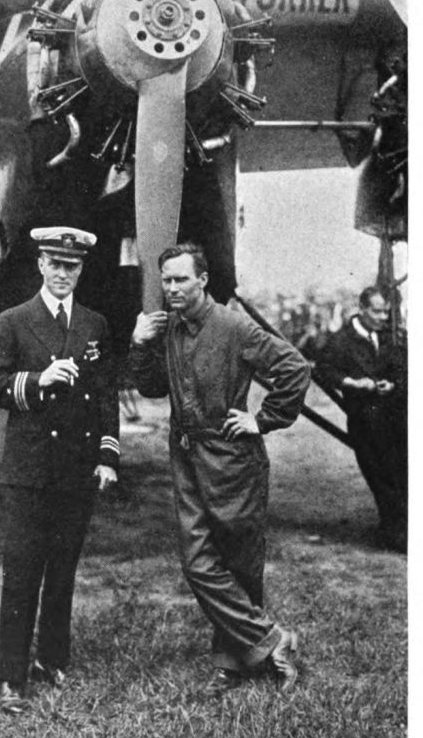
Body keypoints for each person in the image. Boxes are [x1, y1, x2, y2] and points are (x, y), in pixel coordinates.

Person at [129, 243, 310, 691]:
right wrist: (140, 343)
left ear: (203, 279)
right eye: (166, 280)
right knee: (198, 563)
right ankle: (273, 640)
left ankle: (233, 662)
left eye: (181, 279)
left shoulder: (234, 326)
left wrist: (262, 420)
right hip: (187, 455)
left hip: (232, 459)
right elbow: (151, 386)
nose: (172, 288)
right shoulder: (170, 326)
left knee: (239, 562)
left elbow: (293, 368)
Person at [0, 226, 119, 713]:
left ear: (81, 269)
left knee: (62, 572)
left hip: (75, 470)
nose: (63, 273)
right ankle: (11, 676)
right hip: (30, 470)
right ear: (40, 264)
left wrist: (107, 456)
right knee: (22, 574)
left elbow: (105, 394)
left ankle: (52, 659)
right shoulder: (13, 320)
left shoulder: (95, 324)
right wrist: (39, 379)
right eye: (55, 264)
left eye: (71, 266)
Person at [315, 287, 407, 553]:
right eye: (377, 312)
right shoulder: (341, 340)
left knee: (402, 472)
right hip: (365, 421)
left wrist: (393, 384)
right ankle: (395, 532)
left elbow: (404, 368)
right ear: (362, 309)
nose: (383, 317)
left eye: (386, 312)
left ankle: (402, 528)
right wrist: (352, 383)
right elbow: (324, 369)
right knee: (380, 477)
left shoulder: (390, 337)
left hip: (395, 417)